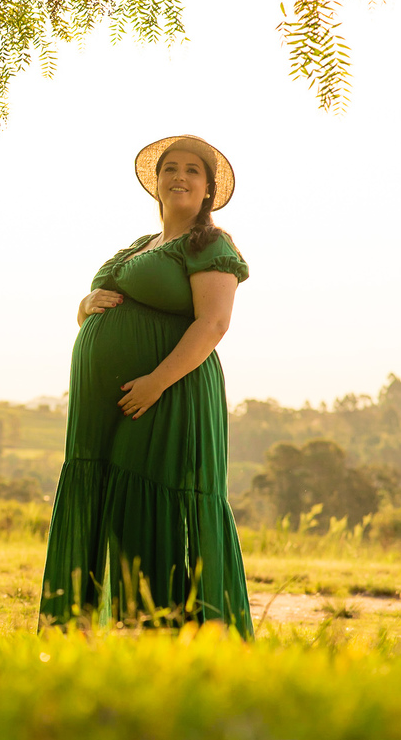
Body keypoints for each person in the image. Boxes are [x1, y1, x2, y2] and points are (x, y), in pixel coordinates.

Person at [38, 134, 254, 639]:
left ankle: (171, 635)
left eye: (192, 171)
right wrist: (84, 304)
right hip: (108, 406)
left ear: (207, 190)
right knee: (113, 505)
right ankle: (92, 633)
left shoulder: (210, 245)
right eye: (169, 169)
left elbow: (214, 324)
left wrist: (156, 383)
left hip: (169, 395)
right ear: (156, 185)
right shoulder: (139, 246)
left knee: (154, 502)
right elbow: (100, 305)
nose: (179, 176)